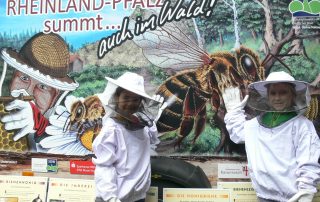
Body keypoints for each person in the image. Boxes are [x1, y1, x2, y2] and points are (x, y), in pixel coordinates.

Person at [222, 71, 320, 202]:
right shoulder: (256, 125)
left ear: (292, 95)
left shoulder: (302, 126)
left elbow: (308, 160)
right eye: (273, 93)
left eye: (283, 92)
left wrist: (306, 191)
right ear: (267, 96)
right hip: (263, 197)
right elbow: (238, 133)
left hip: (294, 198)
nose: (277, 98)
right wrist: (233, 112)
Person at [92, 72, 166, 202]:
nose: (130, 103)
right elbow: (104, 167)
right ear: (117, 97)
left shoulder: (142, 125)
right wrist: (111, 198)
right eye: (126, 97)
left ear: (140, 102)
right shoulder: (111, 130)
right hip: (115, 198)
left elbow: (154, 139)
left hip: (137, 197)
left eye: (135, 99)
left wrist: (152, 118)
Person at [0, 32, 78, 151]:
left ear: (55, 97)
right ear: (12, 78)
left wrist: (38, 123)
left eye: (42, 86)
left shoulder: (67, 135)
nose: (28, 93)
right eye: (24, 78)